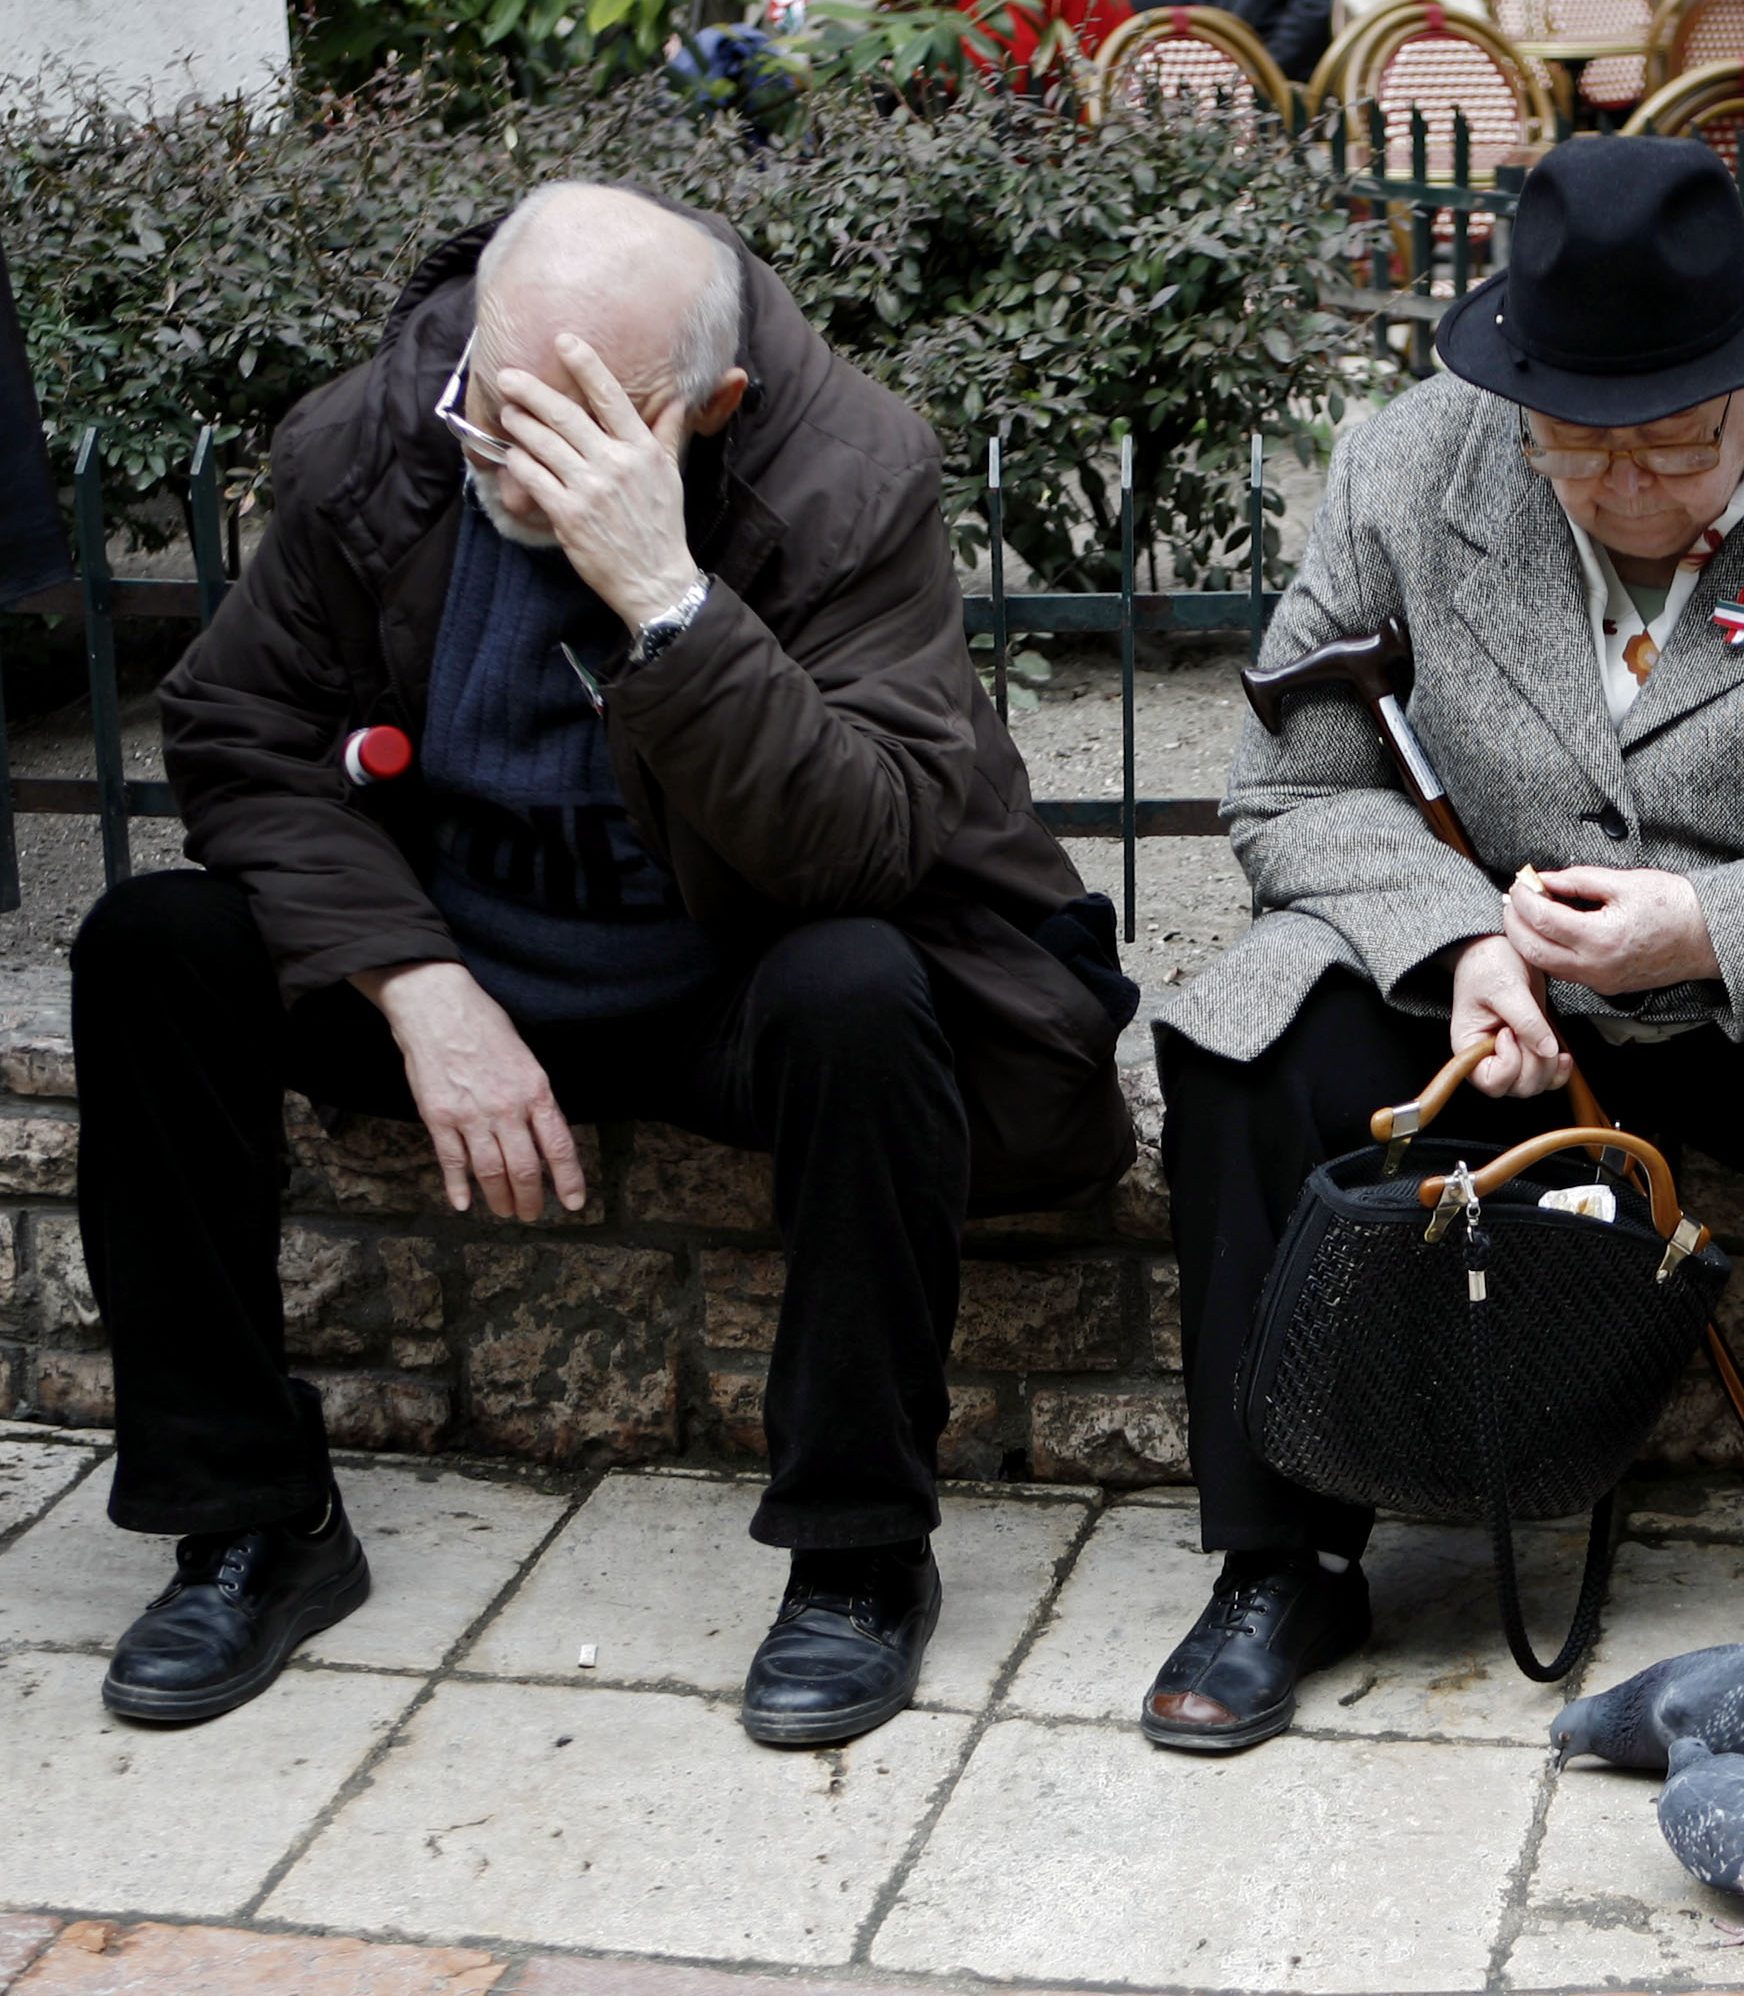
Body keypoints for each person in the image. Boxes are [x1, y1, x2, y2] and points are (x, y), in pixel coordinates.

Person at [77, 182, 1137, 1742]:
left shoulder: (846, 479)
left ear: (713, 407)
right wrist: (409, 979)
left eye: (592, 415)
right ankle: (250, 1521)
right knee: (151, 947)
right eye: (498, 399)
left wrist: (668, 600)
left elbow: (862, 843)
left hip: (725, 975)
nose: (517, 450)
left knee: (862, 989)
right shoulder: (381, 434)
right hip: (453, 983)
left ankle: (859, 1556)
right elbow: (239, 731)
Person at [1152, 138, 1744, 1781]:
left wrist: (1720, 926)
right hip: (1500, 998)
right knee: (1253, 1038)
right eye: (1576, 452)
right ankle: (1282, 1563)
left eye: (1673, 448)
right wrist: (1452, 939)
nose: (1625, 492)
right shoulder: (1405, 467)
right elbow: (1291, 787)